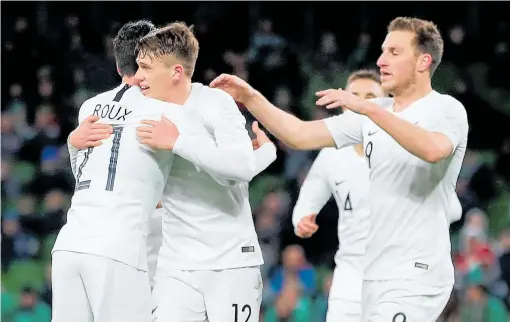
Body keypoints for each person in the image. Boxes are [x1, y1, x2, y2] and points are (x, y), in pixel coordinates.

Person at [211, 16, 468, 321]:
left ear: (423, 61)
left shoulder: (445, 109)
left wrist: (369, 109)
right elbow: (299, 134)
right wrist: (251, 97)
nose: (382, 60)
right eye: (383, 51)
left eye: (394, 53)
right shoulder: (374, 115)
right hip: (372, 273)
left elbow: (433, 150)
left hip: (416, 271)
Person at [132, 22, 272, 322]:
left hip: (231, 262)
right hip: (176, 264)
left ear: (176, 73)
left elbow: (241, 168)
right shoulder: (144, 112)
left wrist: (178, 142)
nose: (138, 76)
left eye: (146, 67)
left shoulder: (214, 103)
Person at [51, 20, 187, 322]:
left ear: (117, 64)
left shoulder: (89, 107)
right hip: (118, 250)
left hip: (70, 246)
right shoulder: (167, 112)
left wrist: (73, 143)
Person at [292, 69, 386, 322]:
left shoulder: (402, 151)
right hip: (350, 275)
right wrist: (302, 220)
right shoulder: (332, 155)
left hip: (395, 275)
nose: (359, 102)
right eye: (354, 95)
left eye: (370, 96)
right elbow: (306, 202)